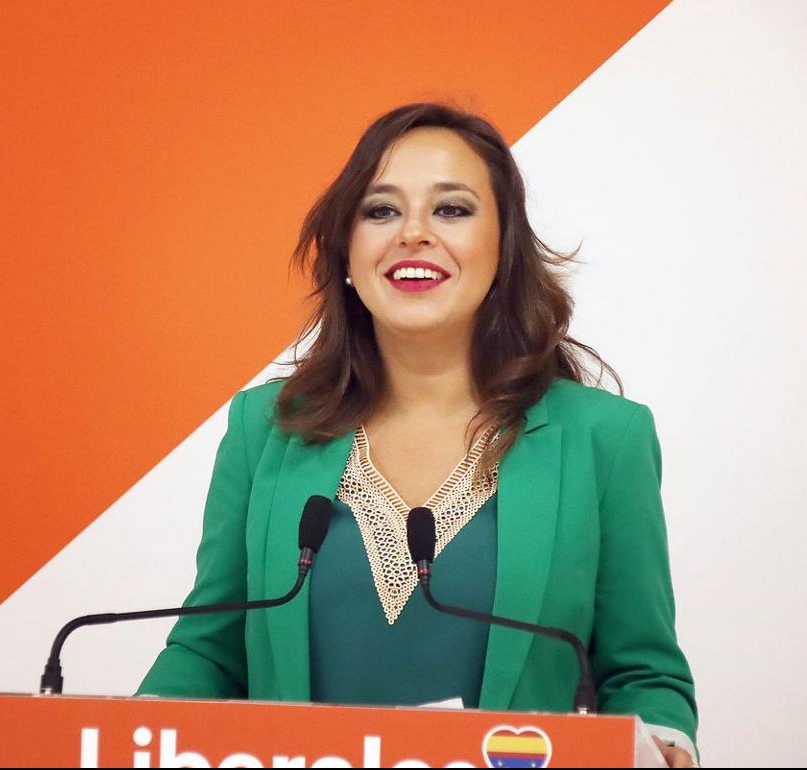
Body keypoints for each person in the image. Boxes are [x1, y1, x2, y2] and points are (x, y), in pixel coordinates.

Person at [137, 102, 699, 767]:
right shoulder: (265, 430)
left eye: (452, 210)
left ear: (504, 248)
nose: (413, 234)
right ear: (347, 248)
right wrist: (129, 740)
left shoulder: (605, 439)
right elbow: (208, 653)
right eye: (380, 211)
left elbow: (644, 676)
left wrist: (667, 749)